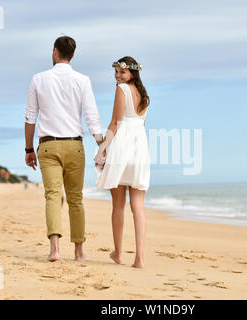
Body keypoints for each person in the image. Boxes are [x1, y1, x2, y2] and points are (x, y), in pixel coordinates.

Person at [24, 36, 103, 262]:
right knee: (76, 199)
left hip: (48, 145)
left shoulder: (38, 79)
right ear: (73, 55)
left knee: (52, 196)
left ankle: (54, 250)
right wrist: (101, 144)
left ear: (55, 52)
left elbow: (30, 117)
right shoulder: (83, 80)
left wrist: (29, 148)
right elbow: (91, 116)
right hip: (75, 145)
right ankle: (78, 252)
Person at [95, 56, 150, 268]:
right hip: (140, 149)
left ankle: (118, 253)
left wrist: (102, 147)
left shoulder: (122, 90)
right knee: (138, 206)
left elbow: (115, 123)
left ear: (132, 73)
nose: (118, 76)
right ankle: (139, 259)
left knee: (118, 205)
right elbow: (140, 125)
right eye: (116, 72)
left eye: (122, 72)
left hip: (122, 148)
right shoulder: (144, 95)